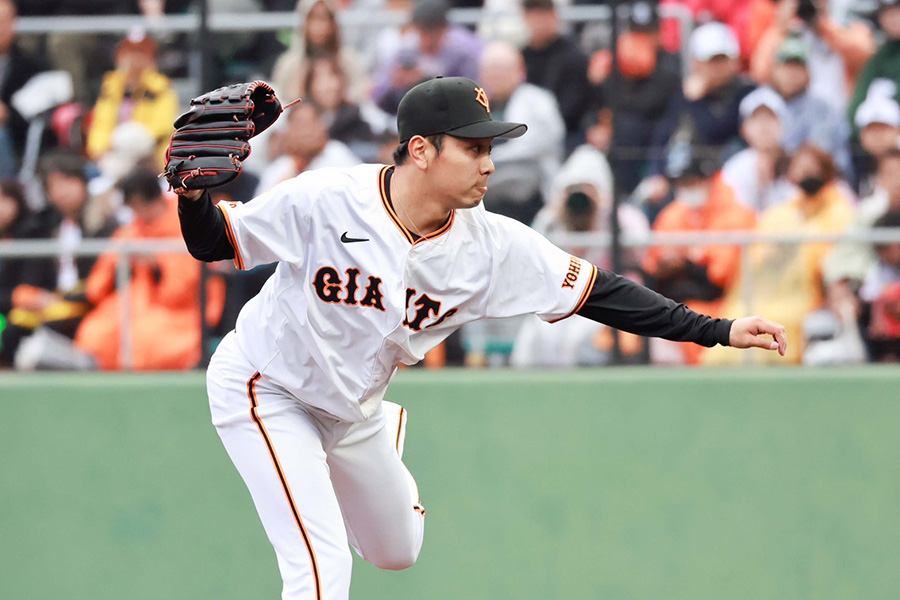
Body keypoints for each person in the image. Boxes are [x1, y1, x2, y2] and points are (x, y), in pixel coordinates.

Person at [172, 76, 787, 599]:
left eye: (489, 146)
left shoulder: (490, 246)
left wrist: (720, 329)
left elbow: (601, 292)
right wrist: (194, 193)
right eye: (472, 147)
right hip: (267, 385)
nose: (489, 162)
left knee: (396, 550)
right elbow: (215, 243)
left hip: (352, 407)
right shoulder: (328, 198)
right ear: (421, 150)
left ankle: (376, 431)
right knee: (320, 565)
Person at [74, 169, 224, 371]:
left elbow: (183, 289)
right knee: (95, 333)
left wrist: (156, 265)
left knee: (148, 339)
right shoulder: (131, 231)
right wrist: (124, 265)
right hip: (134, 302)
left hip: (181, 310)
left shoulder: (187, 223)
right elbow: (97, 287)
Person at [643, 142, 757, 365]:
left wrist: (686, 265)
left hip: (726, 302)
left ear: (709, 178)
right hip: (677, 300)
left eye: (692, 181)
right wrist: (669, 267)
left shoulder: (734, 214)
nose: (687, 187)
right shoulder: (673, 214)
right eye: (682, 182)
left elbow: (720, 278)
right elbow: (652, 265)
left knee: (696, 328)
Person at [476, 40, 564, 224]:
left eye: (502, 68)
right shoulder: (475, 106)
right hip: (483, 198)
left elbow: (534, 147)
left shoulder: (537, 100)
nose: (496, 75)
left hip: (529, 194)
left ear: (520, 71)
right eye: (490, 69)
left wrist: (490, 159)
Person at [86, 30, 178, 162]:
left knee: (131, 136)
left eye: (140, 53)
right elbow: (101, 123)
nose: (134, 58)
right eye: (129, 52)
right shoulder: (111, 85)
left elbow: (164, 125)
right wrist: (99, 149)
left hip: (150, 155)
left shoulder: (160, 87)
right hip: (115, 154)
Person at [520, 0, 590, 146]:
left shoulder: (573, 56)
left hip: (566, 133)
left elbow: (574, 107)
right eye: (534, 15)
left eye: (543, 15)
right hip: (524, 131)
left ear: (555, 16)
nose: (538, 21)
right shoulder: (521, 57)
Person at [721, 86, 795, 214]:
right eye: (756, 119)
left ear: (783, 124)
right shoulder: (735, 168)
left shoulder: (798, 164)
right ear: (744, 129)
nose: (763, 126)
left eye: (770, 118)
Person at [0, 0, 49, 176]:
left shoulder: (32, 67)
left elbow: (36, 118)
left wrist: (7, 115)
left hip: (14, 139)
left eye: (4, 21)